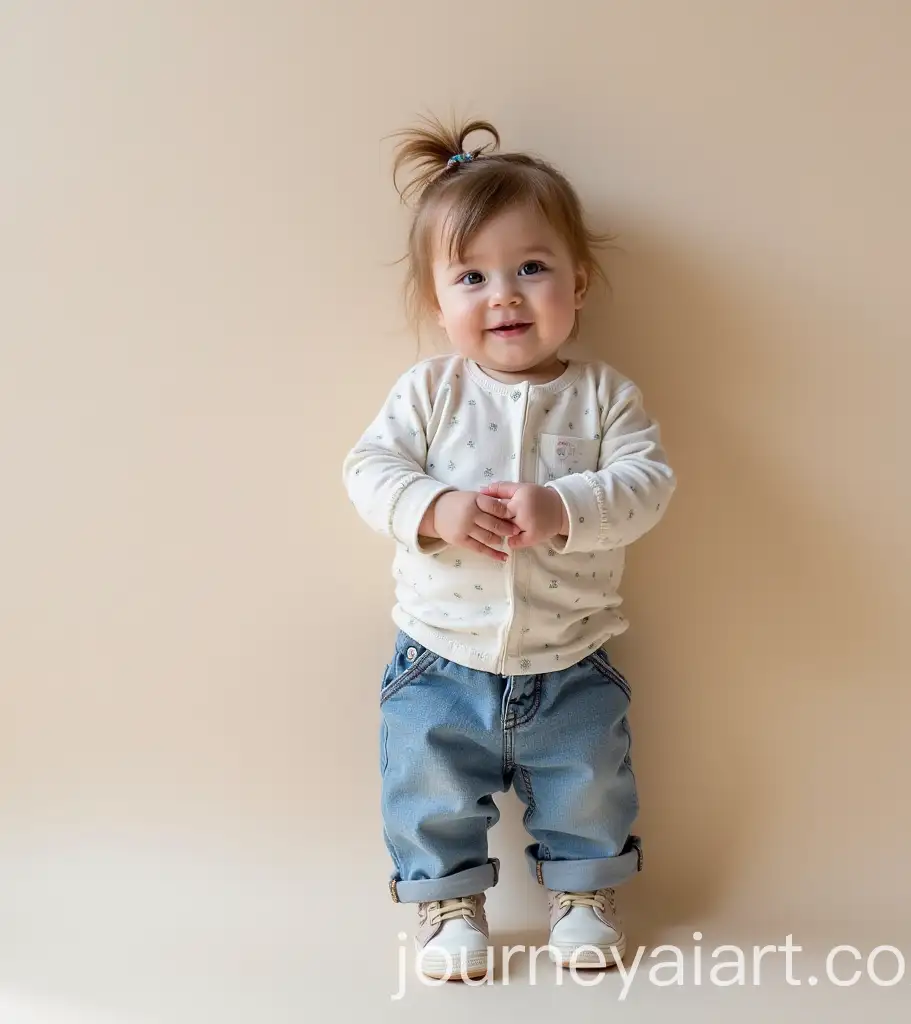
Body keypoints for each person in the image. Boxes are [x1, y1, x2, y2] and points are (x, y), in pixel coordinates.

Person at [343, 115, 675, 980]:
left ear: (580, 280)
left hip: (572, 654)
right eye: (473, 276)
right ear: (437, 299)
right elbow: (367, 469)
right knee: (429, 787)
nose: (505, 295)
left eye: (532, 268)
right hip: (438, 656)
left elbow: (649, 486)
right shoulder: (429, 393)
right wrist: (436, 506)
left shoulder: (604, 397)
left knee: (590, 782)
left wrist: (562, 505)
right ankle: (449, 904)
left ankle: (583, 892)